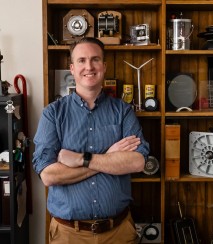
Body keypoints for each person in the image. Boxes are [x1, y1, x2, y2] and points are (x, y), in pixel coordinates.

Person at [32, 37, 150, 244]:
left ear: (104, 66)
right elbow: (49, 176)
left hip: (119, 232)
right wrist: (109, 157)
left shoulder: (122, 111)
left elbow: (137, 162)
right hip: (68, 235)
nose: (89, 67)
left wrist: (81, 158)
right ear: (72, 68)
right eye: (82, 60)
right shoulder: (53, 114)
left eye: (95, 60)